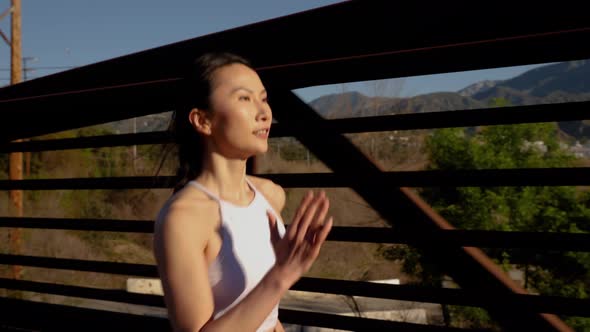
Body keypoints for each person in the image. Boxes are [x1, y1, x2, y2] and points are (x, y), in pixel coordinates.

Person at [153, 52, 333, 332]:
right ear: (202, 120)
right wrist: (281, 276)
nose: (264, 112)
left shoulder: (271, 196)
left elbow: (266, 314)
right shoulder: (183, 217)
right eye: (244, 99)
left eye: (263, 98)